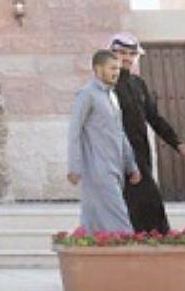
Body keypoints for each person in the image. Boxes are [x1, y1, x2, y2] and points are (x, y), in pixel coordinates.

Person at [109, 33, 185, 234]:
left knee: (147, 201)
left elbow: (153, 117)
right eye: (122, 53)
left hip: (141, 153)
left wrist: (176, 142)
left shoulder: (138, 84)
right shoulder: (107, 86)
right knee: (132, 201)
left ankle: (152, 240)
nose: (127, 58)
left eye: (131, 54)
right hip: (117, 154)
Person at [67, 50, 141, 235]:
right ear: (98, 69)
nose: (117, 72)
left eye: (118, 68)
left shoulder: (112, 97)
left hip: (116, 168)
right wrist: (74, 167)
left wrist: (131, 165)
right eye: (112, 68)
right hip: (97, 169)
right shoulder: (87, 95)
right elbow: (74, 132)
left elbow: (120, 133)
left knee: (94, 225)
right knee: (120, 221)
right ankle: (129, 250)